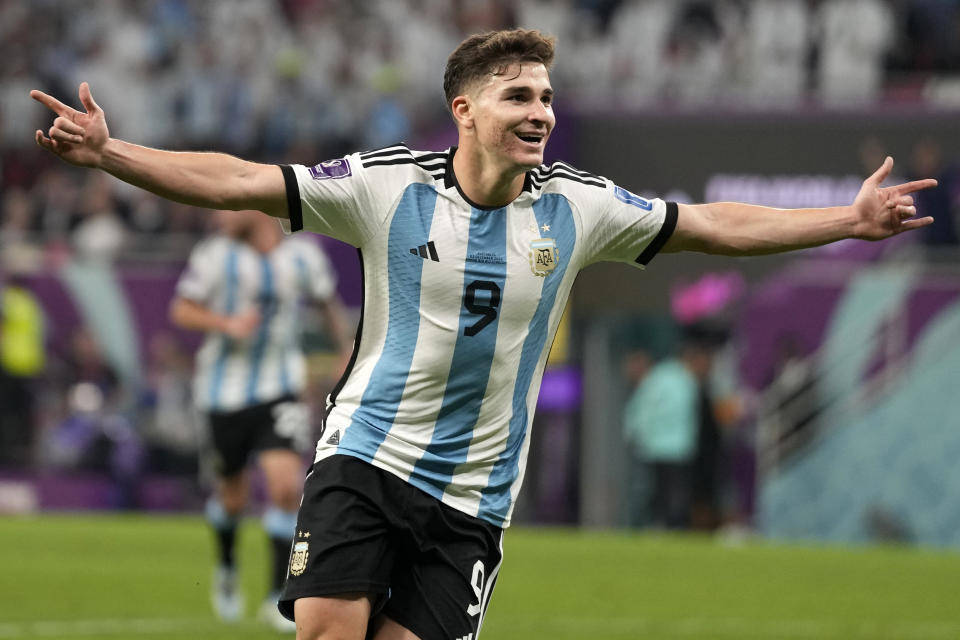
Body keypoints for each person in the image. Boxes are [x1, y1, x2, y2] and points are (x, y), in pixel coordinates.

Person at [31, 27, 936, 640]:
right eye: (516, 96)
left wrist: (844, 220)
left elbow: (713, 225)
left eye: (544, 96)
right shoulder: (385, 185)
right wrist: (114, 155)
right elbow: (237, 181)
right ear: (465, 111)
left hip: (474, 496)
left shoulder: (580, 208)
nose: (539, 110)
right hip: (368, 457)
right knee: (326, 629)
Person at [169, 208, 353, 631]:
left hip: (280, 387)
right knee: (232, 498)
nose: (218, 212)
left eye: (229, 205)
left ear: (257, 208)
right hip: (221, 392)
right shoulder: (215, 255)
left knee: (286, 487)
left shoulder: (303, 256)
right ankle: (229, 566)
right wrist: (225, 323)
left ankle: (276, 595)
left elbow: (327, 304)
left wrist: (345, 349)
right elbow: (182, 309)